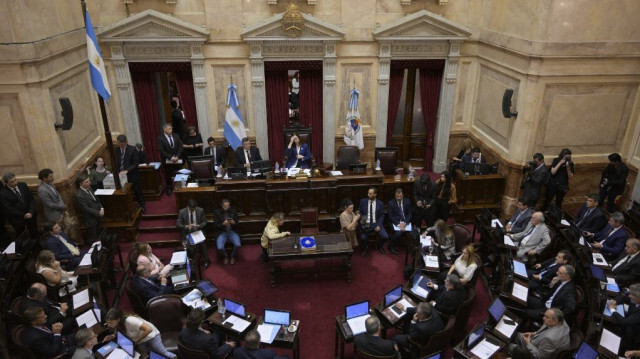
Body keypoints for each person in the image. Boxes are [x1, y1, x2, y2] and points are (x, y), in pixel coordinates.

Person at [105, 308, 176, 358]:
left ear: (118, 319)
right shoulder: (118, 324)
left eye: (111, 322)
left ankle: (175, 357)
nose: (108, 325)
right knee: (142, 356)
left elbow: (149, 329)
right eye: (107, 323)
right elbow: (119, 331)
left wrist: (138, 339)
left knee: (163, 353)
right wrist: (112, 336)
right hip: (140, 340)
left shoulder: (130, 321)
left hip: (151, 336)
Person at [0, 171, 38, 236]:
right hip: (18, 219)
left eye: (15, 180)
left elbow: (31, 199)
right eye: (12, 182)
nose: (15, 183)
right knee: (22, 237)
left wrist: (31, 212)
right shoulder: (3, 193)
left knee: (34, 233)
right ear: (6, 183)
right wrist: (24, 214)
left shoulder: (23, 185)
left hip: (31, 215)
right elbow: (8, 208)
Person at [115, 135, 145, 212]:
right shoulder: (116, 150)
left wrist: (127, 170)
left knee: (137, 191)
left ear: (125, 142)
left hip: (132, 175)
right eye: (119, 143)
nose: (120, 145)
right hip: (120, 176)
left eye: (121, 144)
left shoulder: (132, 149)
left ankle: (142, 206)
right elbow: (116, 162)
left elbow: (136, 163)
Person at [177, 199, 211, 269]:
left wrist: (199, 226)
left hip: (198, 231)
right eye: (191, 209)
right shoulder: (182, 212)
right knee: (187, 244)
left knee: (203, 243)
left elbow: (204, 222)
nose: (193, 210)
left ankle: (206, 260)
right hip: (187, 231)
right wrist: (186, 226)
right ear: (187, 207)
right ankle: (191, 261)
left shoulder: (200, 210)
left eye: (194, 209)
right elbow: (178, 225)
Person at [607, 283, 640, 353]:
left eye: (632, 295)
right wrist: (615, 301)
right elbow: (624, 298)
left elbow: (625, 322)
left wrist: (612, 309)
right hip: (627, 324)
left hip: (631, 336)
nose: (629, 296)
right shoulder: (635, 298)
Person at [358, 187, 389, 256]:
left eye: (371, 194)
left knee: (385, 236)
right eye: (368, 193)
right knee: (363, 237)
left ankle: (379, 246)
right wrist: (362, 219)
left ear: (375, 194)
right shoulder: (363, 201)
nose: (369, 195)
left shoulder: (380, 203)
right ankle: (365, 248)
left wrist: (379, 225)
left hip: (376, 223)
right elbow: (359, 212)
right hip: (366, 224)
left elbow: (382, 215)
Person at [75, 174, 104, 243]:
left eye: (89, 181)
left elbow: (96, 200)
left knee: (99, 234)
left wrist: (101, 208)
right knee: (92, 237)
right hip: (90, 219)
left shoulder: (89, 188)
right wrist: (98, 213)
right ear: (80, 184)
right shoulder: (79, 195)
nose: (89, 183)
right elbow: (86, 209)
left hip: (97, 215)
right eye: (86, 182)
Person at [157, 123, 183, 196]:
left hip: (177, 159)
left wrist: (177, 156)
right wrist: (171, 158)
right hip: (167, 160)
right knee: (168, 175)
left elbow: (180, 147)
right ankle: (169, 188)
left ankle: (180, 186)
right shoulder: (160, 138)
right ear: (164, 129)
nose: (171, 130)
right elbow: (161, 150)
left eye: (171, 128)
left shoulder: (176, 136)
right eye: (169, 129)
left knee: (179, 173)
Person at [213, 199, 241, 265]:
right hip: (222, 232)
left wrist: (234, 223)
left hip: (232, 231)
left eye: (228, 206)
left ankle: (233, 256)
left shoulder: (233, 211)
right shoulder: (216, 212)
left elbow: (237, 224)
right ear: (221, 205)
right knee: (220, 247)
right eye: (225, 206)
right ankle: (224, 256)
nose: (226, 208)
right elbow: (215, 225)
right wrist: (223, 224)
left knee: (238, 245)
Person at [388, 188, 413, 255]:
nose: (399, 198)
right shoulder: (391, 203)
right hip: (395, 222)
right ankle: (391, 246)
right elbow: (391, 216)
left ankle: (412, 247)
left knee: (413, 231)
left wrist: (405, 223)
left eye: (400, 196)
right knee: (398, 233)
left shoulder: (407, 201)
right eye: (397, 196)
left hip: (405, 222)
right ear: (395, 196)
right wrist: (398, 224)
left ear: (403, 195)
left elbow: (410, 214)